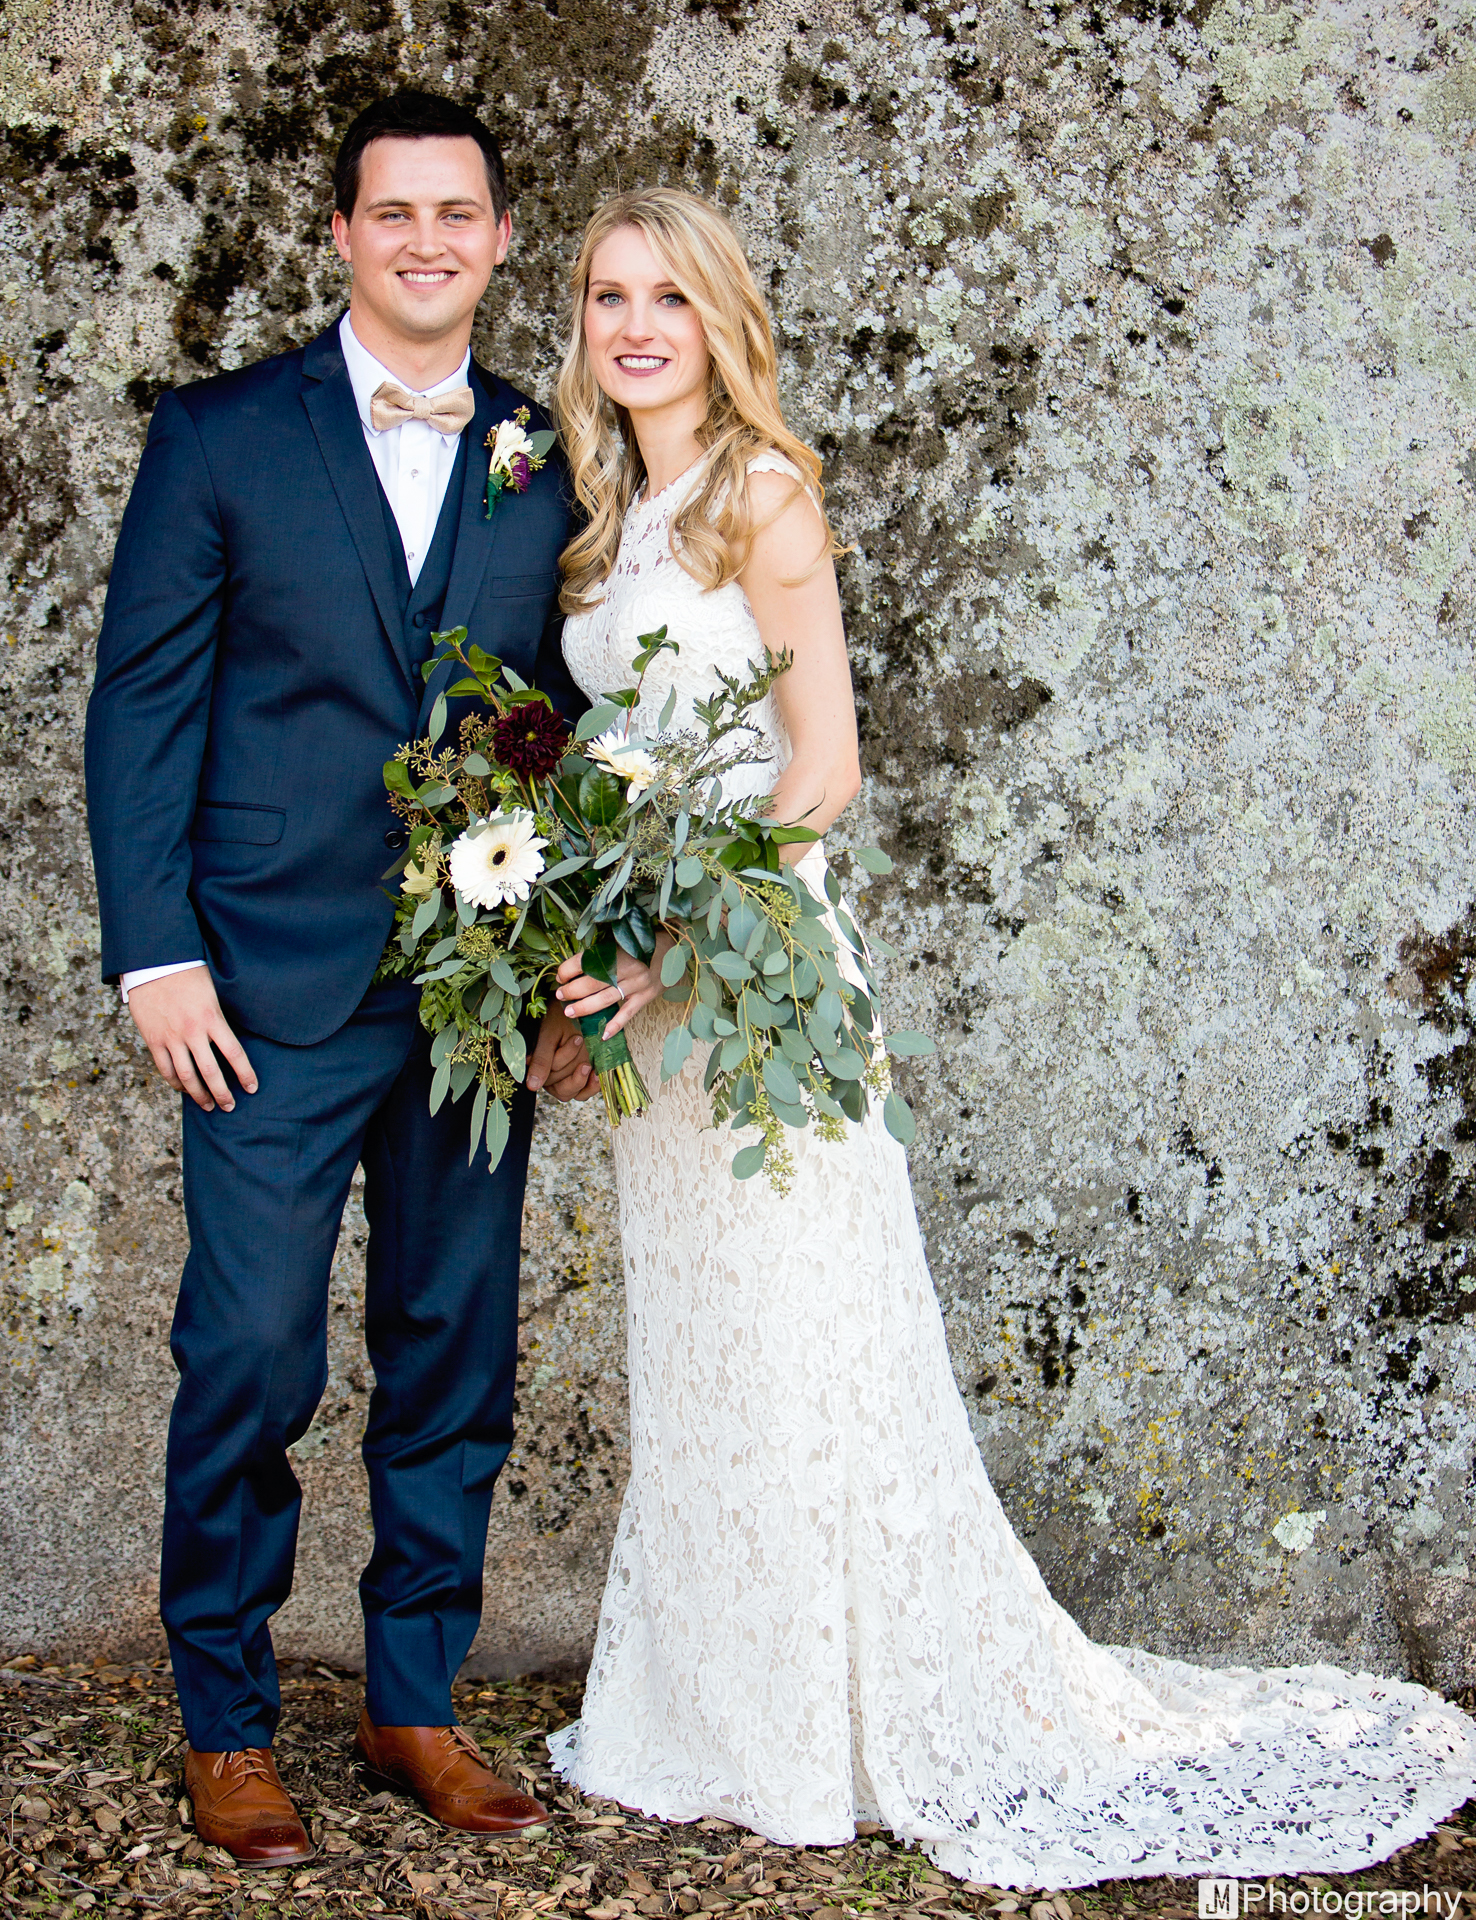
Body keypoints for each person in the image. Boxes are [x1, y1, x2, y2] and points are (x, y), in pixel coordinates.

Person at [543, 186, 1476, 1890]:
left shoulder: (762, 494)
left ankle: (849, 1720)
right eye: (611, 297)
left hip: (755, 973)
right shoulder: (607, 522)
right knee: (708, 1345)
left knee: (809, 1333)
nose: (638, 328)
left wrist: (680, 942)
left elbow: (825, 766)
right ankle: (728, 1708)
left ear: (721, 319)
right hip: (650, 1013)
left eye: (670, 298)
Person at [84, 91, 596, 1869]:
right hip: (258, 986)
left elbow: (584, 719)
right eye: (394, 213)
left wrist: (572, 960)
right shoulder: (221, 435)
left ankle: (414, 1702)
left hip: (474, 994)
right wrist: (155, 954)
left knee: (454, 1347)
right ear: (344, 235)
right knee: (247, 1348)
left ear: (501, 239)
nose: (426, 241)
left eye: (459, 214)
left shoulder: (553, 448)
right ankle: (226, 1723)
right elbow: (142, 703)